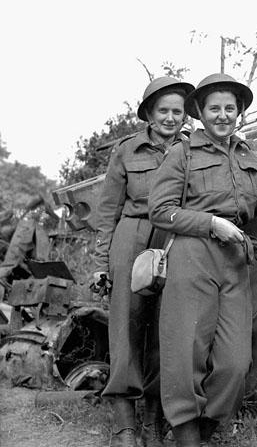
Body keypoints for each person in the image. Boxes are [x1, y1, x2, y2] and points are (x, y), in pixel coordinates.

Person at [148, 73, 257, 447]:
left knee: (235, 362)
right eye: (214, 108)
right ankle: (186, 434)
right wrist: (211, 224)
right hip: (193, 254)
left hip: (235, 260)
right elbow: (160, 211)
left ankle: (206, 428)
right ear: (200, 113)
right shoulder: (182, 153)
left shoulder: (248, 156)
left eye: (230, 108)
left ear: (239, 112)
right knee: (185, 350)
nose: (222, 115)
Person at [93, 76, 194, 447]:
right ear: (149, 115)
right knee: (126, 325)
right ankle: (124, 425)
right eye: (163, 111)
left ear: (185, 117)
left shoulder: (191, 149)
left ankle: (152, 421)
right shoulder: (127, 150)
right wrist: (102, 262)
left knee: (164, 329)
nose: (170, 118)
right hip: (132, 237)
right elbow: (107, 211)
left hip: (172, 238)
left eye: (177, 112)